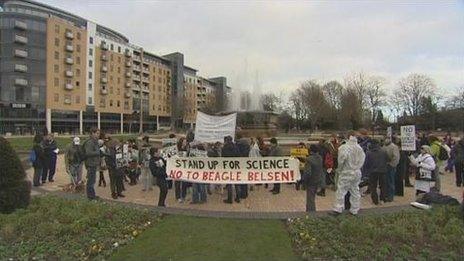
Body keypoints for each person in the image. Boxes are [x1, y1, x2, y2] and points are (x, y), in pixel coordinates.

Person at [331, 131, 366, 216]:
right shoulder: (359, 148)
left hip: (346, 171)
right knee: (355, 190)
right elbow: (363, 159)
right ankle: (355, 209)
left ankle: (338, 208)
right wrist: (357, 167)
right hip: (357, 172)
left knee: (341, 190)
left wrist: (339, 169)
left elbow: (342, 160)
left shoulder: (344, 147)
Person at [365, 139, 388, 205]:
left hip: (372, 171)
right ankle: (382, 199)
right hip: (382, 170)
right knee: (383, 186)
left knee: (373, 186)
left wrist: (366, 171)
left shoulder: (368, 152)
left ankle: (375, 201)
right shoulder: (383, 151)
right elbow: (388, 159)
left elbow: (366, 163)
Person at [302, 144, 323, 212]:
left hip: (311, 181)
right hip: (318, 180)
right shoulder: (320, 158)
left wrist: (304, 182)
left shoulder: (309, 159)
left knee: (310, 199)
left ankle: (311, 214)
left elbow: (307, 173)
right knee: (313, 198)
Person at [83, 128, 101, 200]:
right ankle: (91, 197)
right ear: (92, 133)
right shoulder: (90, 142)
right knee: (91, 181)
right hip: (91, 164)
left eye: (98, 133)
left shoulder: (94, 141)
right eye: (97, 133)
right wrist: (98, 152)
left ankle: (92, 195)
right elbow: (88, 152)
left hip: (93, 163)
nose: (98, 135)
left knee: (92, 180)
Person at [222, 136, 241, 203]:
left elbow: (223, 157)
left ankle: (230, 199)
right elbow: (239, 155)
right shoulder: (236, 147)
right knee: (237, 183)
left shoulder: (224, 148)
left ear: (227, 140)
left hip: (228, 167)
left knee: (229, 184)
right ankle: (238, 197)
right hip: (235, 167)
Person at [235, 133, 250, 198]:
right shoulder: (247, 144)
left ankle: (241, 194)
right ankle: (245, 193)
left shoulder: (238, 145)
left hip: (239, 163)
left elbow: (237, 154)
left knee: (240, 180)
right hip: (245, 163)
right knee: (245, 179)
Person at [175, 137, 190, 203]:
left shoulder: (187, 149)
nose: (185, 143)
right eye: (184, 141)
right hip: (177, 168)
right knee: (177, 183)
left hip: (184, 168)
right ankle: (178, 196)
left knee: (184, 183)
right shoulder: (177, 149)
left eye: (186, 142)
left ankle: (183, 196)